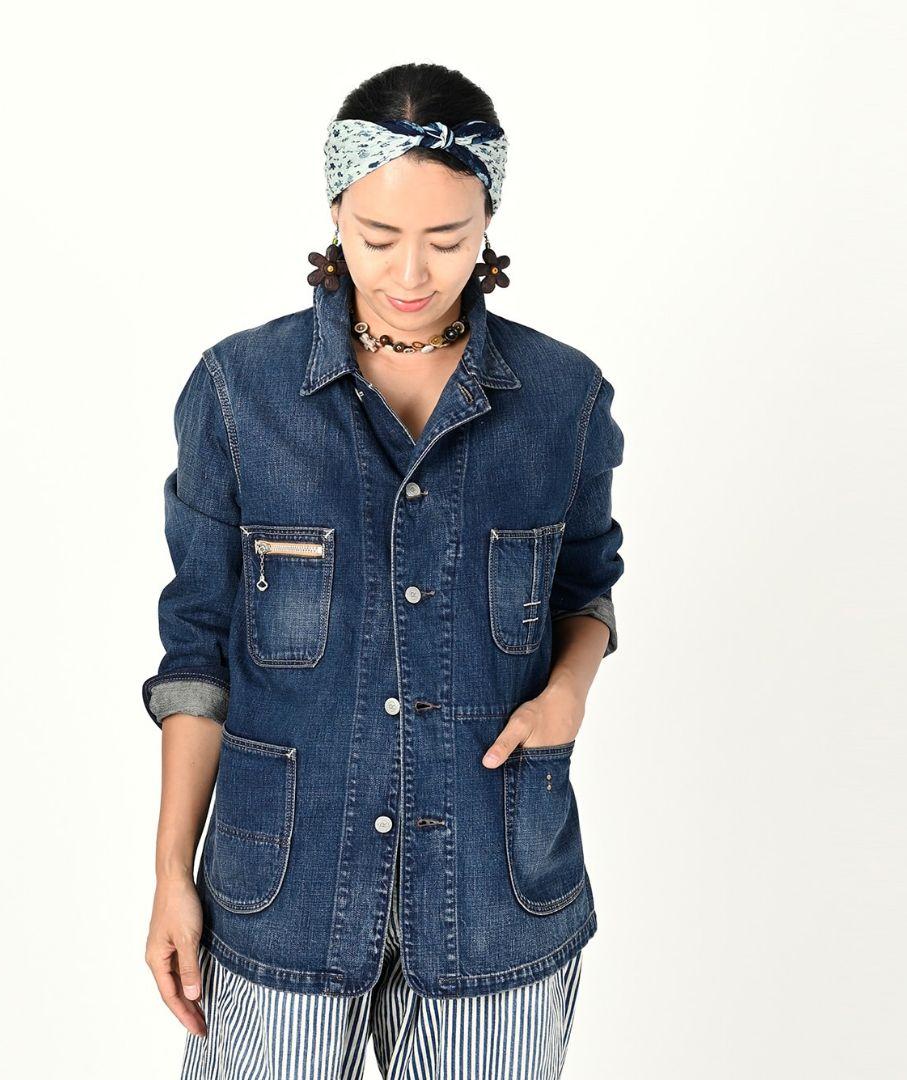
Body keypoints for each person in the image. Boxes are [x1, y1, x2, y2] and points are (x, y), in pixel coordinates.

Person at [142, 62, 625, 1080]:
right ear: (334, 213)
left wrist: (570, 690)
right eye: (377, 236)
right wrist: (170, 875)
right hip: (282, 893)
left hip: (496, 894)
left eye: (447, 240)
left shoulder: (564, 399)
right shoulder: (240, 394)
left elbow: (585, 585)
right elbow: (197, 651)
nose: (411, 272)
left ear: (488, 222)